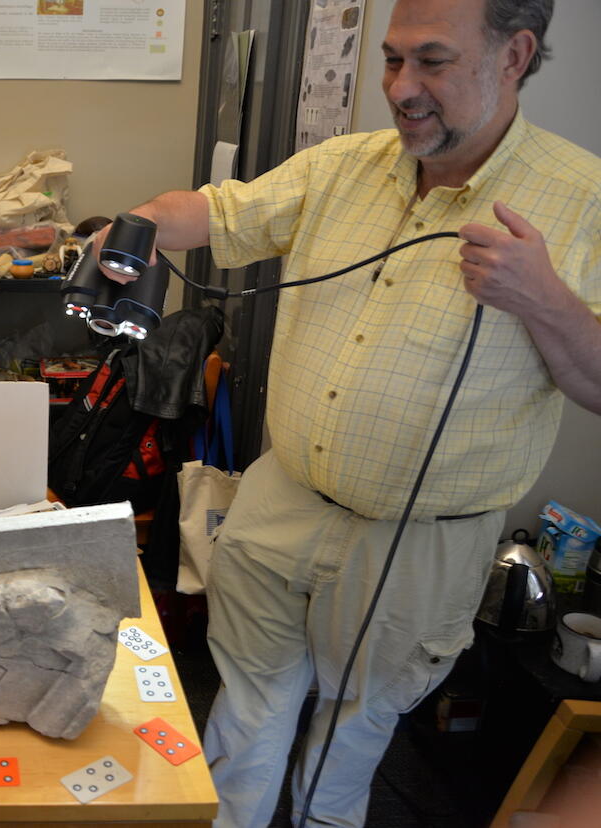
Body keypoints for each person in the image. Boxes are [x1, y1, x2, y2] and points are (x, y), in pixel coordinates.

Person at [98, 1, 599, 825]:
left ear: (515, 55)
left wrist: (542, 298)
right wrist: (141, 225)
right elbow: (217, 212)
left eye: (432, 62)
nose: (402, 88)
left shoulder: (585, 199)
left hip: (421, 541)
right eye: (392, 60)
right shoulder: (343, 165)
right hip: (283, 501)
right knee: (248, 713)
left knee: (352, 733)